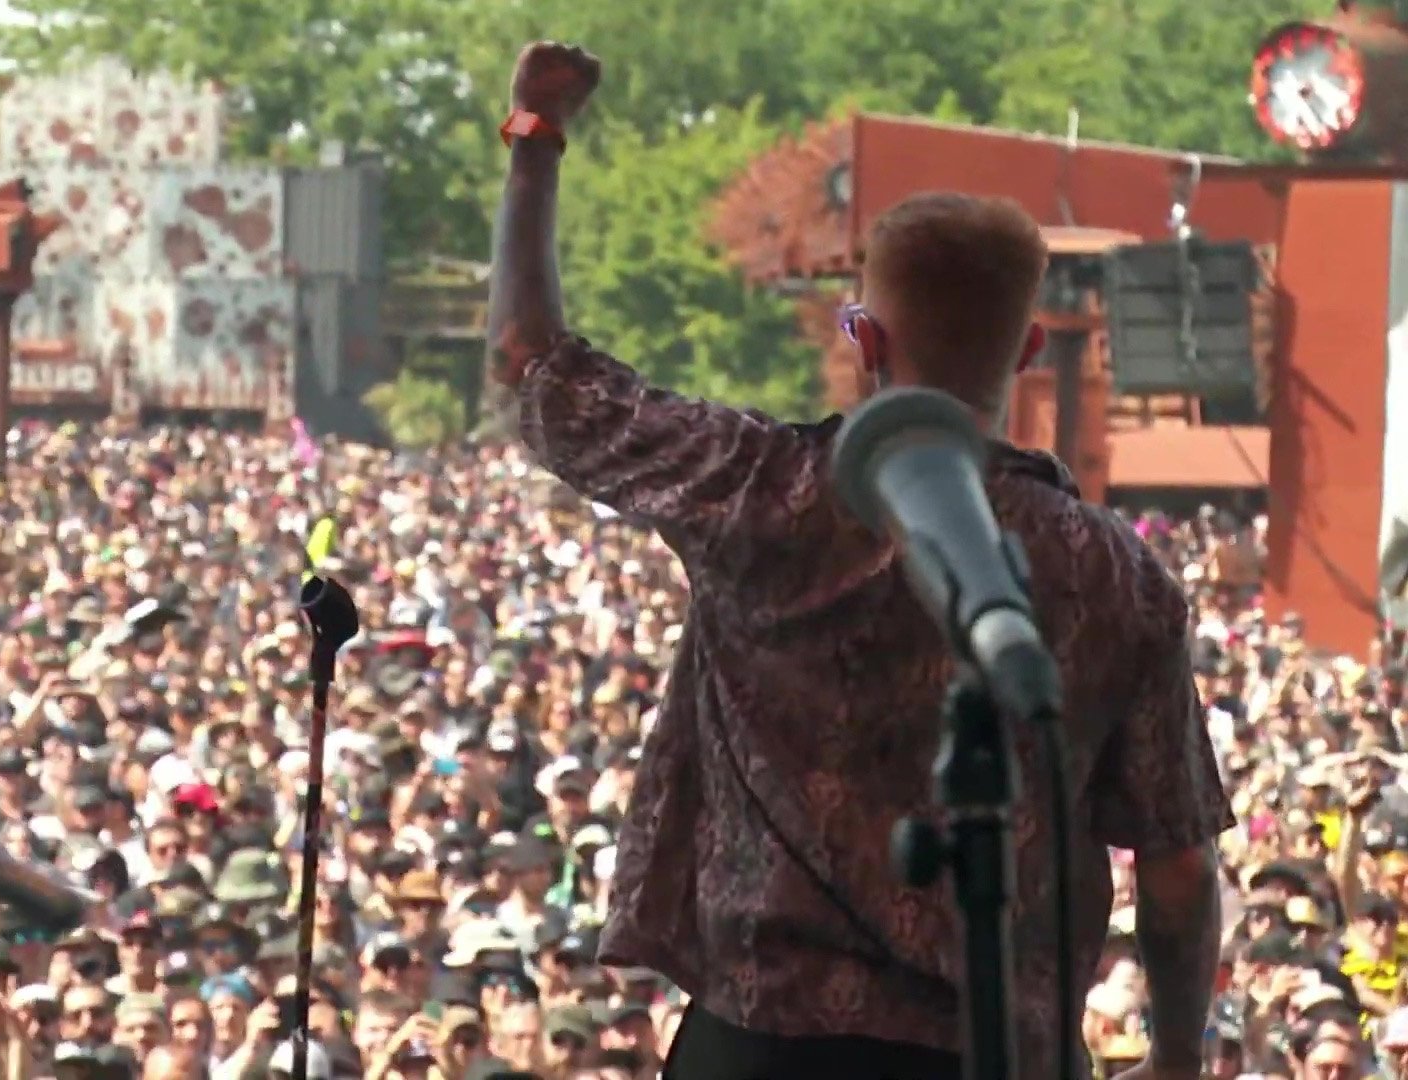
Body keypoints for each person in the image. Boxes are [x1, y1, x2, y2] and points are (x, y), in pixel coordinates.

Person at [484, 41, 1231, 1080]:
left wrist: (536, 138)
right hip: (995, 1052)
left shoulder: (758, 487)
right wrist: (1178, 1059)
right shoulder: (1118, 573)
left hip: (758, 1041)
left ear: (868, 342)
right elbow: (1180, 868)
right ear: (1023, 354)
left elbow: (530, 363)